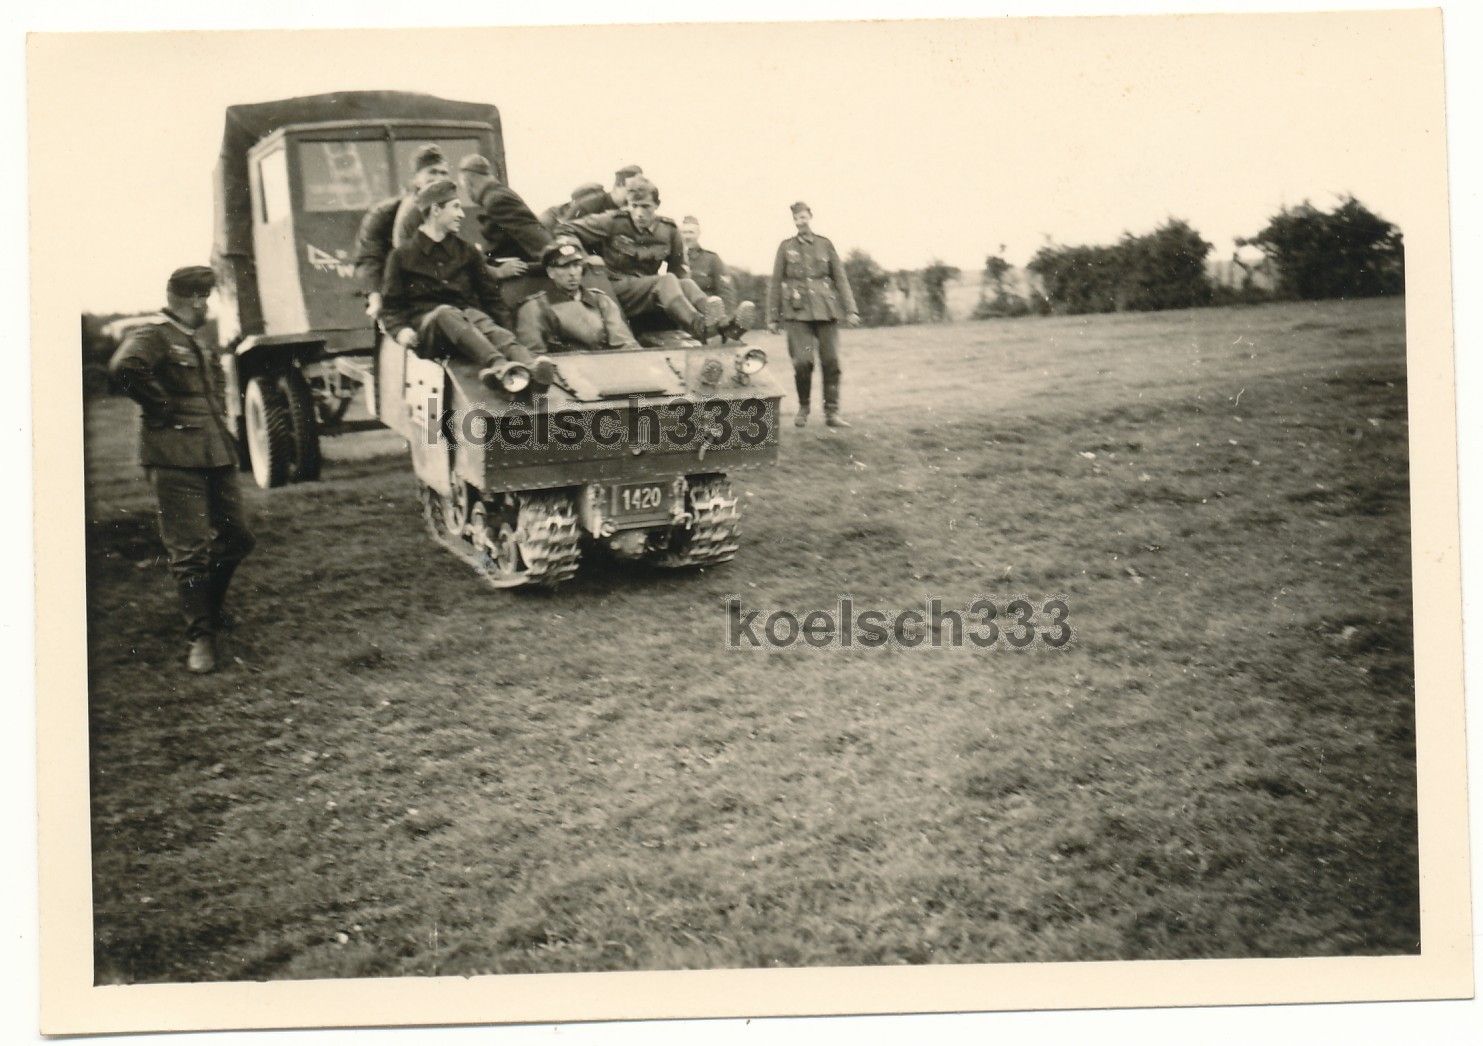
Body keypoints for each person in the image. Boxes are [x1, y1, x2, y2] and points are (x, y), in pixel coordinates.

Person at [108, 266, 255, 674]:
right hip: (174, 457)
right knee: (189, 551)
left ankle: (210, 610)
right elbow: (124, 367)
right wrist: (160, 407)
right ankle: (201, 638)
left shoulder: (191, 339)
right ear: (194, 300)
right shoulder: (154, 336)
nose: (207, 306)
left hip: (212, 452)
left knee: (237, 537)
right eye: (205, 298)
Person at [379, 179, 535, 390]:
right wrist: (400, 331)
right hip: (428, 333)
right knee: (446, 313)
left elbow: (491, 299)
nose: (461, 215)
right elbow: (390, 307)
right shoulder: (401, 257)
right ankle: (499, 366)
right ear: (435, 210)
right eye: (455, 207)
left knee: (478, 318)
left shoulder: (467, 252)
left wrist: (508, 332)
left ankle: (530, 365)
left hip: (468, 325)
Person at [559, 177, 729, 341]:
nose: (639, 213)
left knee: (686, 283)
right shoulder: (613, 221)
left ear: (657, 205)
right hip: (615, 290)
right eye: (634, 206)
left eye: (646, 206)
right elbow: (565, 229)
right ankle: (698, 327)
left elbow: (680, 272)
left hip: (647, 290)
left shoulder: (668, 230)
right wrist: (582, 258)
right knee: (666, 281)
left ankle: (722, 323)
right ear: (628, 205)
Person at [766, 201, 860, 427]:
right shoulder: (785, 247)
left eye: (804, 216)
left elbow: (840, 278)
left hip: (826, 312)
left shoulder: (825, 244)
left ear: (810, 216)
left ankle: (832, 413)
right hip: (798, 315)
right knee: (802, 362)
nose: (801, 220)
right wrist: (772, 317)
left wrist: (851, 310)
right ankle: (803, 407)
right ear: (794, 221)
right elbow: (776, 282)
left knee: (831, 361)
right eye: (796, 217)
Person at [352, 144, 452, 319]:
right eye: (432, 172)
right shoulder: (383, 214)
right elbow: (369, 258)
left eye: (443, 173)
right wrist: (375, 299)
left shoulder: (447, 214)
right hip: (397, 301)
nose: (438, 178)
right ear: (416, 178)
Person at [457, 153, 552, 325]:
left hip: (517, 282)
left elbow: (538, 241)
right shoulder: (496, 195)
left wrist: (551, 261)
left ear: (469, 184)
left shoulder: (497, 199)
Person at [515, 242, 640, 354]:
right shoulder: (534, 307)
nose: (572, 273)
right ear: (550, 272)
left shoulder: (600, 300)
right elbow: (535, 358)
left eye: (576, 265)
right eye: (564, 266)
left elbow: (625, 345)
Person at [680, 215, 755, 341]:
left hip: (709, 316)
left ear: (698, 233)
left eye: (691, 232)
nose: (687, 236)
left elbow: (726, 292)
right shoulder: (672, 259)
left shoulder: (711, 259)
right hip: (682, 317)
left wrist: (726, 320)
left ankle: (731, 331)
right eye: (684, 232)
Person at [539, 164, 643, 228]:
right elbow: (564, 229)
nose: (634, 197)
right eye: (631, 191)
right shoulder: (593, 202)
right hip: (553, 220)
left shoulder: (623, 210)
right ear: (619, 185)